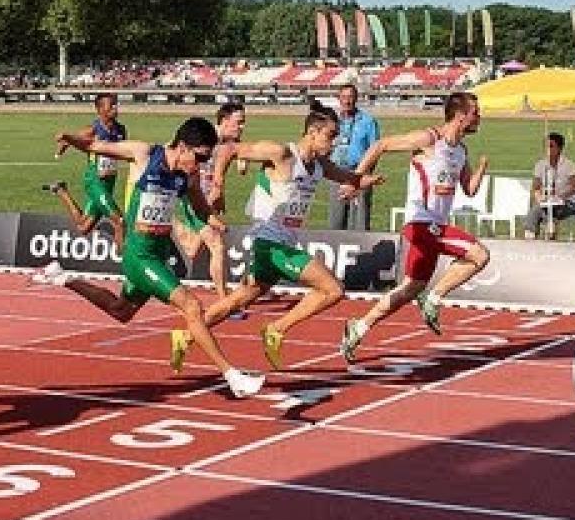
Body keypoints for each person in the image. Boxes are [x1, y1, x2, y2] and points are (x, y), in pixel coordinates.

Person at [34, 117, 266, 398]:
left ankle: (64, 277)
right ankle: (232, 376)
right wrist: (69, 137)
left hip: (160, 251)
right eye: (200, 157)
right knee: (192, 306)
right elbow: (96, 145)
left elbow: (201, 210)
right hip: (140, 255)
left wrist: (215, 221)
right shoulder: (145, 154)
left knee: (122, 311)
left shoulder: (187, 177)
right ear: (182, 146)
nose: (201, 166)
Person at [169, 101, 384, 372]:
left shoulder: (319, 166)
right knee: (332, 289)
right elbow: (227, 149)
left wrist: (365, 181)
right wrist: (219, 186)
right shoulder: (281, 154)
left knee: (237, 301)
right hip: (270, 243)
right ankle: (276, 329)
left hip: (283, 243)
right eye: (330, 136)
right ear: (312, 133)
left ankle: (185, 336)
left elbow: (348, 177)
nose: (334, 142)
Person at [340, 92, 490, 362]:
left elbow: (469, 190)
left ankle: (359, 327)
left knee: (411, 288)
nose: (479, 117)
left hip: (437, 227)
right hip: (421, 223)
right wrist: (355, 179)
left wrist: (480, 169)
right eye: (475, 113)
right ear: (460, 116)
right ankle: (434, 298)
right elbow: (382, 145)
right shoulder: (429, 139)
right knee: (479, 255)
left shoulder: (461, 150)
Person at [173, 102, 246, 297]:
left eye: (243, 123)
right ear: (224, 121)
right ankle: (224, 298)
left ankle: (172, 226)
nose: (242, 127)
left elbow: (233, 171)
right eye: (238, 122)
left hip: (206, 201)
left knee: (192, 251)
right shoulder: (204, 137)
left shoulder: (228, 145)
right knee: (217, 244)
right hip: (193, 198)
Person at [43, 93, 127, 249]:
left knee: (84, 227)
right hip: (95, 182)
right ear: (100, 109)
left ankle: (61, 191)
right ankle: (127, 264)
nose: (115, 108)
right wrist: (60, 149)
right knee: (119, 221)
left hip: (109, 184)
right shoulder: (93, 130)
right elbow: (72, 140)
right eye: (111, 106)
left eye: (116, 105)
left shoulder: (121, 129)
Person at [328, 84, 381, 231]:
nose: (347, 101)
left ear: (356, 98)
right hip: (336, 174)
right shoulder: (332, 122)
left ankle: (362, 252)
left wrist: (363, 175)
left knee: (359, 221)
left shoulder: (368, 122)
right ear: (338, 99)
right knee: (336, 220)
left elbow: (375, 151)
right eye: (344, 97)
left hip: (360, 174)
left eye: (350, 97)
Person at [523, 132, 575, 240]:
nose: (548, 149)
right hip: (547, 202)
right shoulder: (540, 165)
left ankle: (548, 236)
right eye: (546, 146)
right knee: (538, 209)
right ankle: (530, 234)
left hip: (567, 203)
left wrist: (560, 196)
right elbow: (536, 187)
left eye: (551, 146)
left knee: (549, 211)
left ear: (559, 148)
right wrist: (540, 198)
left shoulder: (568, 165)